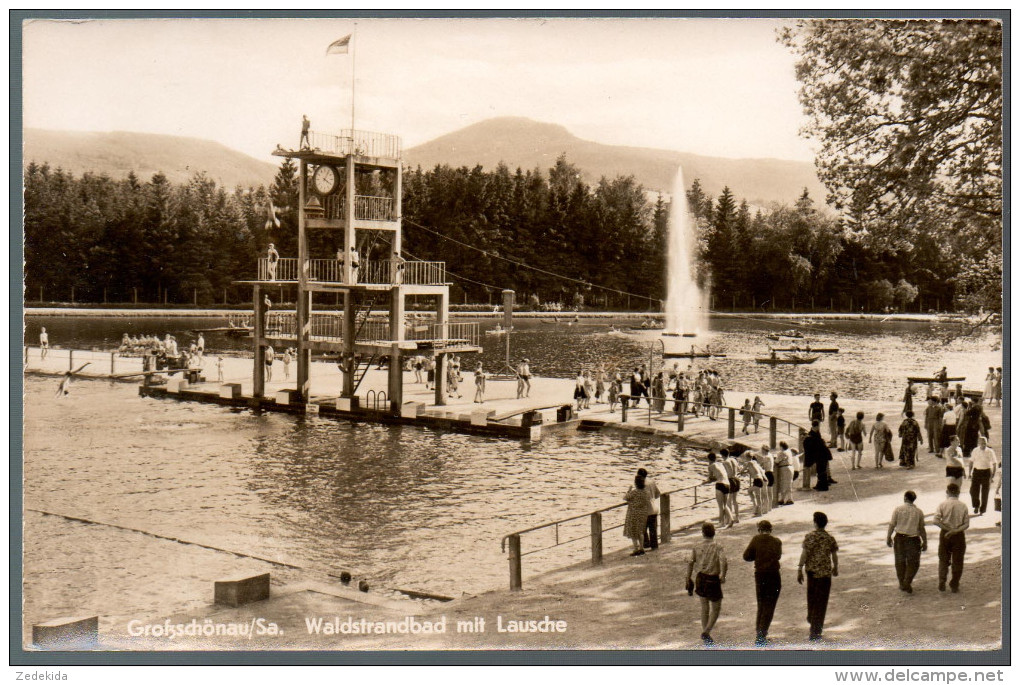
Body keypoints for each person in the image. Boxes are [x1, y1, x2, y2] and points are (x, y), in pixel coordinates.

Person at [798, 511, 839, 641]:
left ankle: (812, 620)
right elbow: (834, 554)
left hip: (812, 573)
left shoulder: (809, 536)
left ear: (815, 523)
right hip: (825, 574)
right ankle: (816, 629)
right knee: (822, 602)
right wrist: (835, 567)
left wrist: (799, 568)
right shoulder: (830, 538)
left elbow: (804, 553)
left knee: (812, 598)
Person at [686, 522, 728, 645]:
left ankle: (706, 634)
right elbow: (723, 561)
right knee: (716, 607)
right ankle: (707, 632)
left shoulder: (696, 546)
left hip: (700, 578)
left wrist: (688, 578)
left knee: (704, 607)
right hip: (712, 578)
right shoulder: (718, 546)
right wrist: (723, 575)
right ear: (713, 532)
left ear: (703, 533)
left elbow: (690, 562)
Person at [743, 519, 782, 646]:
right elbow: (778, 556)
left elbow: (746, 556)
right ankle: (761, 634)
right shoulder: (777, 541)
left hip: (760, 575)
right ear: (770, 530)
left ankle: (760, 633)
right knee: (770, 605)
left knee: (761, 603)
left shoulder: (756, 539)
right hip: (773, 575)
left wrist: (757, 554)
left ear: (759, 530)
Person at [886, 490, 927, 593]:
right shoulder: (919, 512)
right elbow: (922, 528)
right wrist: (925, 541)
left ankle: (902, 583)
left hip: (899, 538)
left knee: (900, 562)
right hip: (913, 539)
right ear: (914, 500)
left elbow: (892, 524)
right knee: (914, 563)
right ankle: (907, 581)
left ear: (905, 498)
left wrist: (888, 536)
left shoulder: (898, 509)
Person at [933, 483, 970, 593]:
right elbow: (966, 524)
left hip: (945, 534)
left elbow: (935, 521)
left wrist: (948, 530)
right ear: (958, 493)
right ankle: (954, 583)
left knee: (943, 558)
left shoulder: (942, 504)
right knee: (958, 560)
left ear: (947, 492)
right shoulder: (963, 506)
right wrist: (955, 530)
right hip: (958, 535)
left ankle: (942, 579)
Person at [623, 474, 652, 556]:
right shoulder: (646, 492)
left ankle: (636, 548)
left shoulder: (634, 492)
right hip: (643, 514)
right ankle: (641, 548)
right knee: (640, 531)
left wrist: (628, 490)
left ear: (636, 483)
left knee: (633, 532)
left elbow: (625, 497)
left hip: (633, 513)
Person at [969, 436, 996, 516]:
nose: (983, 444)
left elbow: (994, 463)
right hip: (976, 471)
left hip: (986, 472)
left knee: (985, 492)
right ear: (978, 443)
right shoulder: (975, 450)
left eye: (985, 443)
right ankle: (976, 505)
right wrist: (969, 473)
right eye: (981, 443)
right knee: (973, 490)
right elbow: (971, 462)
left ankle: (982, 510)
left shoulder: (990, 451)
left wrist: (992, 476)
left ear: (987, 443)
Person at [803, 421, 832, 491]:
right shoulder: (812, 435)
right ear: (816, 426)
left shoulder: (812, 434)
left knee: (821, 469)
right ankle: (821, 485)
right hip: (819, 454)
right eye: (818, 426)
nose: (819, 427)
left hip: (820, 454)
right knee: (820, 470)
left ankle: (822, 485)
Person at [707, 452, 733, 528]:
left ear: (709, 459)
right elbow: (722, 474)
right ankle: (731, 519)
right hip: (727, 484)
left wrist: (708, 480)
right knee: (725, 505)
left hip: (720, 484)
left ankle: (721, 522)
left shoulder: (711, 466)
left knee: (720, 506)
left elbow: (710, 478)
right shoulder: (721, 464)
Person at [638, 468, 661, 550]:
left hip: (646, 509)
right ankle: (654, 546)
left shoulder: (641, 484)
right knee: (653, 528)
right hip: (654, 508)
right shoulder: (652, 482)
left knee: (641, 527)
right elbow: (658, 494)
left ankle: (646, 543)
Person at [774, 441, 795, 506]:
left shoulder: (782, 453)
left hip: (785, 468)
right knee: (788, 483)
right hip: (790, 467)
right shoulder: (789, 452)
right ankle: (785, 499)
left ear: (781, 446)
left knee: (785, 484)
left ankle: (787, 499)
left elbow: (777, 461)